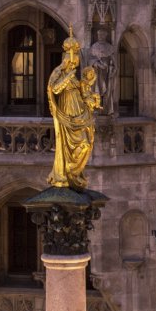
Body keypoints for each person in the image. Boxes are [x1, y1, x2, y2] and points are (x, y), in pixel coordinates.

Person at [46, 27, 100, 190]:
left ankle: (74, 172)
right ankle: (67, 171)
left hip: (79, 112)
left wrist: (91, 100)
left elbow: (83, 92)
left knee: (85, 143)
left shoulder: (76, 79)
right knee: (72, 143)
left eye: (75, 61)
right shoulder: (60, 73)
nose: (73, 64)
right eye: (71, 61)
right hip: (67, 112)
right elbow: (53, 89)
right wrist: (67, 76)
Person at [89, 28, 116, 115]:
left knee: (106, 91)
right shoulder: (94, 47)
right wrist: (96, 64)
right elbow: (90, 61)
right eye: (99, 35)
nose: (100, 37)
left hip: (106, 73)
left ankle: (106, 108)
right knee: (96, 90)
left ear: (105, 36)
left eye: (102, 35)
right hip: (97, 73)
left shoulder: (109, 47)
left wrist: (113, 70)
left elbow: (114, 62)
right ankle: (96, 107)